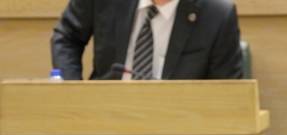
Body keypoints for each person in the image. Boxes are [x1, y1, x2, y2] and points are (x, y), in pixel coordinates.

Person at [51, 0, 243, 80]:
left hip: (179, 133)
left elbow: (228, 97)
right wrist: (73, 93)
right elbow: (67, 36)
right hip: (104, 118)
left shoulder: (217, 15)